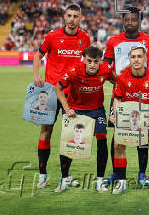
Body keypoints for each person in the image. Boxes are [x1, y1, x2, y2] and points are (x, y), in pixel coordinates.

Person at [33, 3, 90, 188]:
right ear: (64, 17)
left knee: (69, 136)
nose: (72, 19)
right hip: (50, 91)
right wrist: (36, 74)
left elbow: (85, 64)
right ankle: (42, 175)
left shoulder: (85, 39)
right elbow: (37, 56)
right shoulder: (52, 36)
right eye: (69, 15)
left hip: (71, 94)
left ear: (80, 18)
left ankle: (65, 177)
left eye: (76, 16)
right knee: (46, 132)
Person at [103, 6, 149, 187]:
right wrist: (117, 81)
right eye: (127, 19)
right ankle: (117, 172)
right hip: (121, 94)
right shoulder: (113, 41)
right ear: (122, 20)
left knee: (142, 133)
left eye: (134, 19)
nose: (130, 22)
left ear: (139, 20)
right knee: (117, 135)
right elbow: (105, 67)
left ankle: (142, 173)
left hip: (143, 94)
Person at [54, 46, 114, 193]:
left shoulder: (105, 69)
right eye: (89, 61)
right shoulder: (75, 71)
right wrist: (66, 108)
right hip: (76, 110)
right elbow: (58, 88)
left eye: (95, 61)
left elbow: (118, 82)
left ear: (100, 61)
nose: (92, 64)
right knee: (70, 144)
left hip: (96, 110)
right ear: (84, 59)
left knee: (102, 139)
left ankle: (100, 181)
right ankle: (64, 178)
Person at [109, 45, 149, 195]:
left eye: (139, 56)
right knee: (118, 145)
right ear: (129, 59)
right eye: (133, 57)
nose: (136, 59)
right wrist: (116, 114)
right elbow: (117, 99)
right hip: (129, 117)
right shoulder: (121, 78)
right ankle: (121, 182)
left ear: (145, 58)